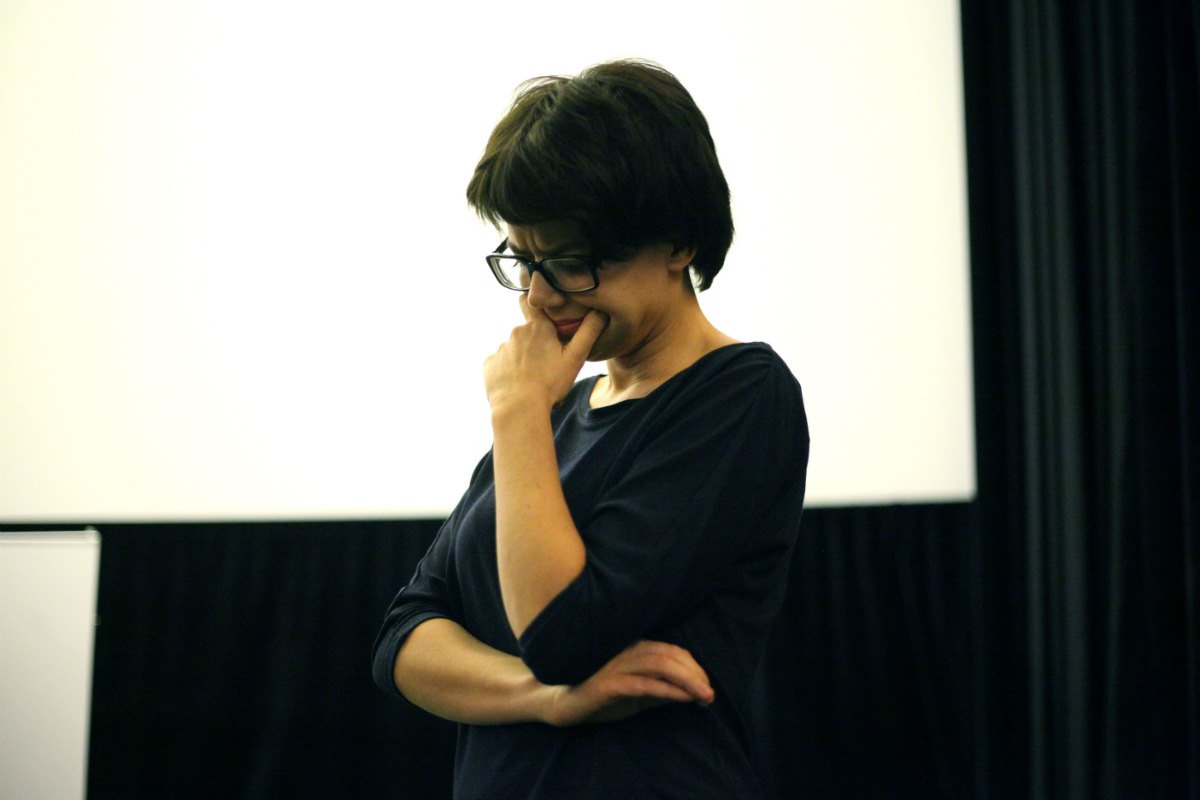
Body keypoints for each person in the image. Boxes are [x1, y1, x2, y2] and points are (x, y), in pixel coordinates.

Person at [372, 59, 809, 799]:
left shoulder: (739, 394)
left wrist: (516, 413)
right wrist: (546, 700)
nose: (537, 297)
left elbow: (561, 634)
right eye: (523, 260)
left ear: (678, 242)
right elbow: (404, 641)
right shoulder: (557, 412)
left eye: (570, 262)